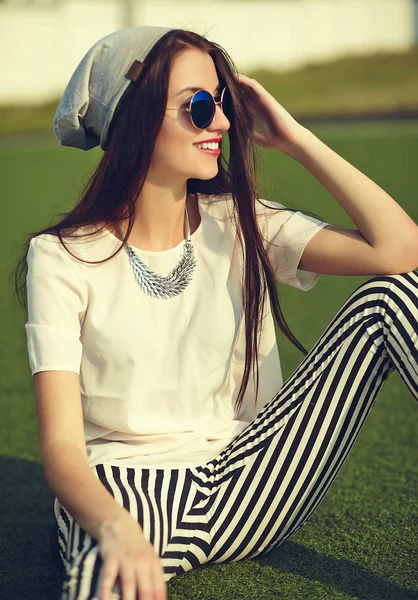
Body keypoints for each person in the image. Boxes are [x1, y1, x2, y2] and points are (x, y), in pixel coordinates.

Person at [19, 25, 418, 600]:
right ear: (136, 118)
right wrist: (114, 528)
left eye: (221, 103)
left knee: (392, 299)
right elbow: (60, 449)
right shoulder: (60, 257)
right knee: (103, 578)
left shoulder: (240, 221)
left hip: (252, 478)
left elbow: (399, 251)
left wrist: (298, 139)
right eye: (199, 107)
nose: (224, 124)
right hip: (127, 488)